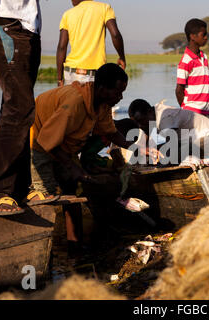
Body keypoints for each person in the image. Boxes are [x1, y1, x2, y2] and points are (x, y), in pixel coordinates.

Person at [27, 63, 133, 252]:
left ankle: (74, 246)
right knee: (44, 194)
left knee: (73, 191)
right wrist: (72, 166)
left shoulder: (102, 104)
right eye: (117, 92)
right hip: (37, 141)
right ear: (102, 89)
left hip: (62, 146)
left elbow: (110, 131)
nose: (121, 97)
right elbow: (46, 140)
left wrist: (137, 147)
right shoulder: (74, 102)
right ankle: (38, 250)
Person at [0, 0, 42, 215]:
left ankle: (18, 188)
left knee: (19, 106)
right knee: (20, 107)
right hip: (4, 21)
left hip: (25, 24)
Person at [128, 99, 209, 164]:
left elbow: (170, 150)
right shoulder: (149, 120)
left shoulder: (165, 117)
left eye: (141, 121)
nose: (140, 126)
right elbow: (142, 147)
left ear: (149, 112)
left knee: (170, 156)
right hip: (188, 141)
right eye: (137, 123)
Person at [56, 0, 126, 86]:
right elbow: (115, 35)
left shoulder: (67, 14)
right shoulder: (104, 8)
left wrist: (59, 79)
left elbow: (61, 47)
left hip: (70, 73)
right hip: (95, 75)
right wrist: (122, 57)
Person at [176, 19, 209, 118]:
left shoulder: (204, 56)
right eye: (203, 34)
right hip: (192, 112)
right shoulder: (186, 60)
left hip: (206, 111)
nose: (206, 37)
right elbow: (179, 90)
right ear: (192, 36)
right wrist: (186, 110)